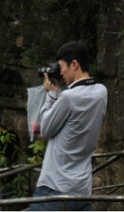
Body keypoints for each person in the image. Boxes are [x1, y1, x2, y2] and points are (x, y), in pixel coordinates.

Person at [29, 40, 107, 211]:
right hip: (82, 190)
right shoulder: (101, 92)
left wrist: (51, 94)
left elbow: (45, 129)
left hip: (54, 189)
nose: (61, 71)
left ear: (74, 64)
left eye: (62, 66)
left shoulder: (68, 98)